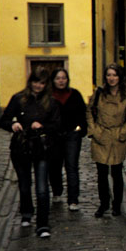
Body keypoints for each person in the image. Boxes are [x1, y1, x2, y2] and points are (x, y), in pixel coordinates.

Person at [0, 68, 60, 238]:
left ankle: (42, 224)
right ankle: (26, 212)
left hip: (42, 148)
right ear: (30, 82)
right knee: (24, 185)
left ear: (46, 84)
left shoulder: (51, 102)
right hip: (21, 147)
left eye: (41, 83)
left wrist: (42, 126)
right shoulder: (19, 99)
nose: (38, 86)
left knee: (42, 188)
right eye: (35, 82)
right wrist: (12, 125)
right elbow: (3, 120)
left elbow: (57, 126)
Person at [87, 63, 126, 218]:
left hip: (117, 136)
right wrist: (94, 131)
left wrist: (122, 133)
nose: (111, 78)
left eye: (114, 75)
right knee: (101, 173)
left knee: (116, 173)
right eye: (109, 75)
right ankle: (104, 203)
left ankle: (117, 205)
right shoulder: (99, 93)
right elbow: (89, 111)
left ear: (119, 77)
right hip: (101, 135)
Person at [47, 68, 88, 212]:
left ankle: (73, 200)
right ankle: (57, 191)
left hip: (72, 135)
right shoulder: (48, 96)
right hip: (54, 136)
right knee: (54, 166)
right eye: (58, 78)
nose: (61, 81)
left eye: (63, 78)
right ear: (53, 80)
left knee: (71, 166)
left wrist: (81, 130)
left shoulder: (74, 94)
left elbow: (83, 113)